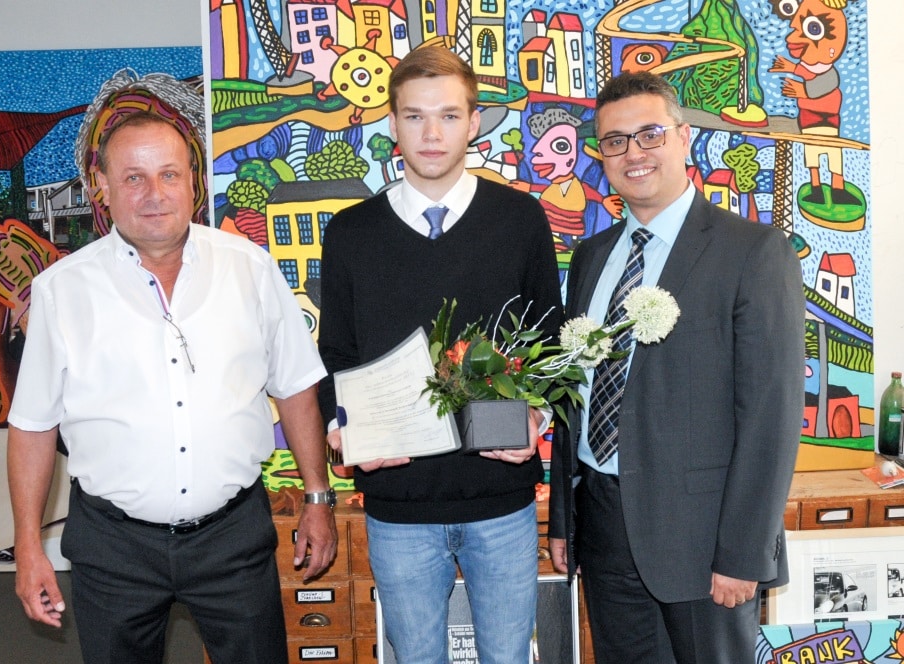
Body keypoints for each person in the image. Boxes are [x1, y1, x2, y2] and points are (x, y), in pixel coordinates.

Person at [7, 74, 337, 664]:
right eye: (133, 177)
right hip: (113, 547)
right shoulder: (61, 292)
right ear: (100, 186)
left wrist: (319, 498)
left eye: (168, 174)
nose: (153, 192)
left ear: (194, 183)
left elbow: (296, 388)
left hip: (233, 539)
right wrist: (28, 545)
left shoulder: (251, 270)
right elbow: (33, 426)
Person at [547, 71, 804, 663]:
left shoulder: (753, 252)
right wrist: (565, 519)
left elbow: (771, 415)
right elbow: (574, 395)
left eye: (649, 135)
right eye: (614, 141)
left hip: (703, 537)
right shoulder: (590, 257)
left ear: (684, 138)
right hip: (604, 524)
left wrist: (742, 553)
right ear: (601, 157)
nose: (633, 153)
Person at [317, 46, 562, 664]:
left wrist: (538, 417)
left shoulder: (520, 219)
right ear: (392, 123)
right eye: (415, 116)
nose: (432, 133)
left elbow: (550, 340)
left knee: (508, 657)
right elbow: (336, 352)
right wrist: (341, 429)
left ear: (474, 123)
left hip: (501, 498)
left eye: (449, 116)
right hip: (398, 503)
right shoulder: (350, 232)